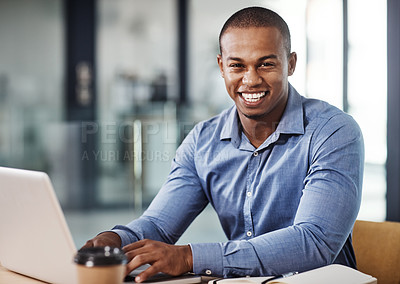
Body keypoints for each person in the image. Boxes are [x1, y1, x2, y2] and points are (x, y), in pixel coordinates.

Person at [83, 6, 364, 282]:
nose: (251, 79)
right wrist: (115, 239)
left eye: (266, 64)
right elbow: (158, 224)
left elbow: (314, 242)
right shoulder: (202, 142)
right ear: (222, 66)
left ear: (290, 64)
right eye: (237, 65)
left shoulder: (333, 132)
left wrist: (189, 257)